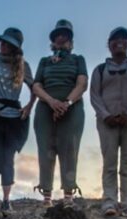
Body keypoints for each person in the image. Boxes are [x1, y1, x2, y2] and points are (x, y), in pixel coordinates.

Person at [90, 27, 127, 219]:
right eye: (114, 40)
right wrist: (105, 115)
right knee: (109, 162)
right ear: (109, 45)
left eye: (123, 39)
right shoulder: (100, 70)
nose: (119, 43)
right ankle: (109, 200)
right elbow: (94, 95)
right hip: (107, 121)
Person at [30, 19, 88, 205]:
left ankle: (68, 196)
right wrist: (51, 101)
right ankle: (47, 195)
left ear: (71, 41)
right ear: (53, 41)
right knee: (46, 149)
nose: (61, 39)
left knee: (69, 148)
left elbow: (82, 84)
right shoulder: (44, 62)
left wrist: (67, 103)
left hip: (72, 109)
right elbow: (36, 85)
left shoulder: (78, 60)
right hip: (45, 108)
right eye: (58, 36)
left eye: (65, 36)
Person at [0, 27, 33, 211]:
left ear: (14, 47)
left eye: (6, 43)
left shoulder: (24, 66)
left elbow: (35, 89)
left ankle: (6, 201)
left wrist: (28, 106)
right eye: (1, 42)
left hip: (14, 119)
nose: (2, 45)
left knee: (8, 159)